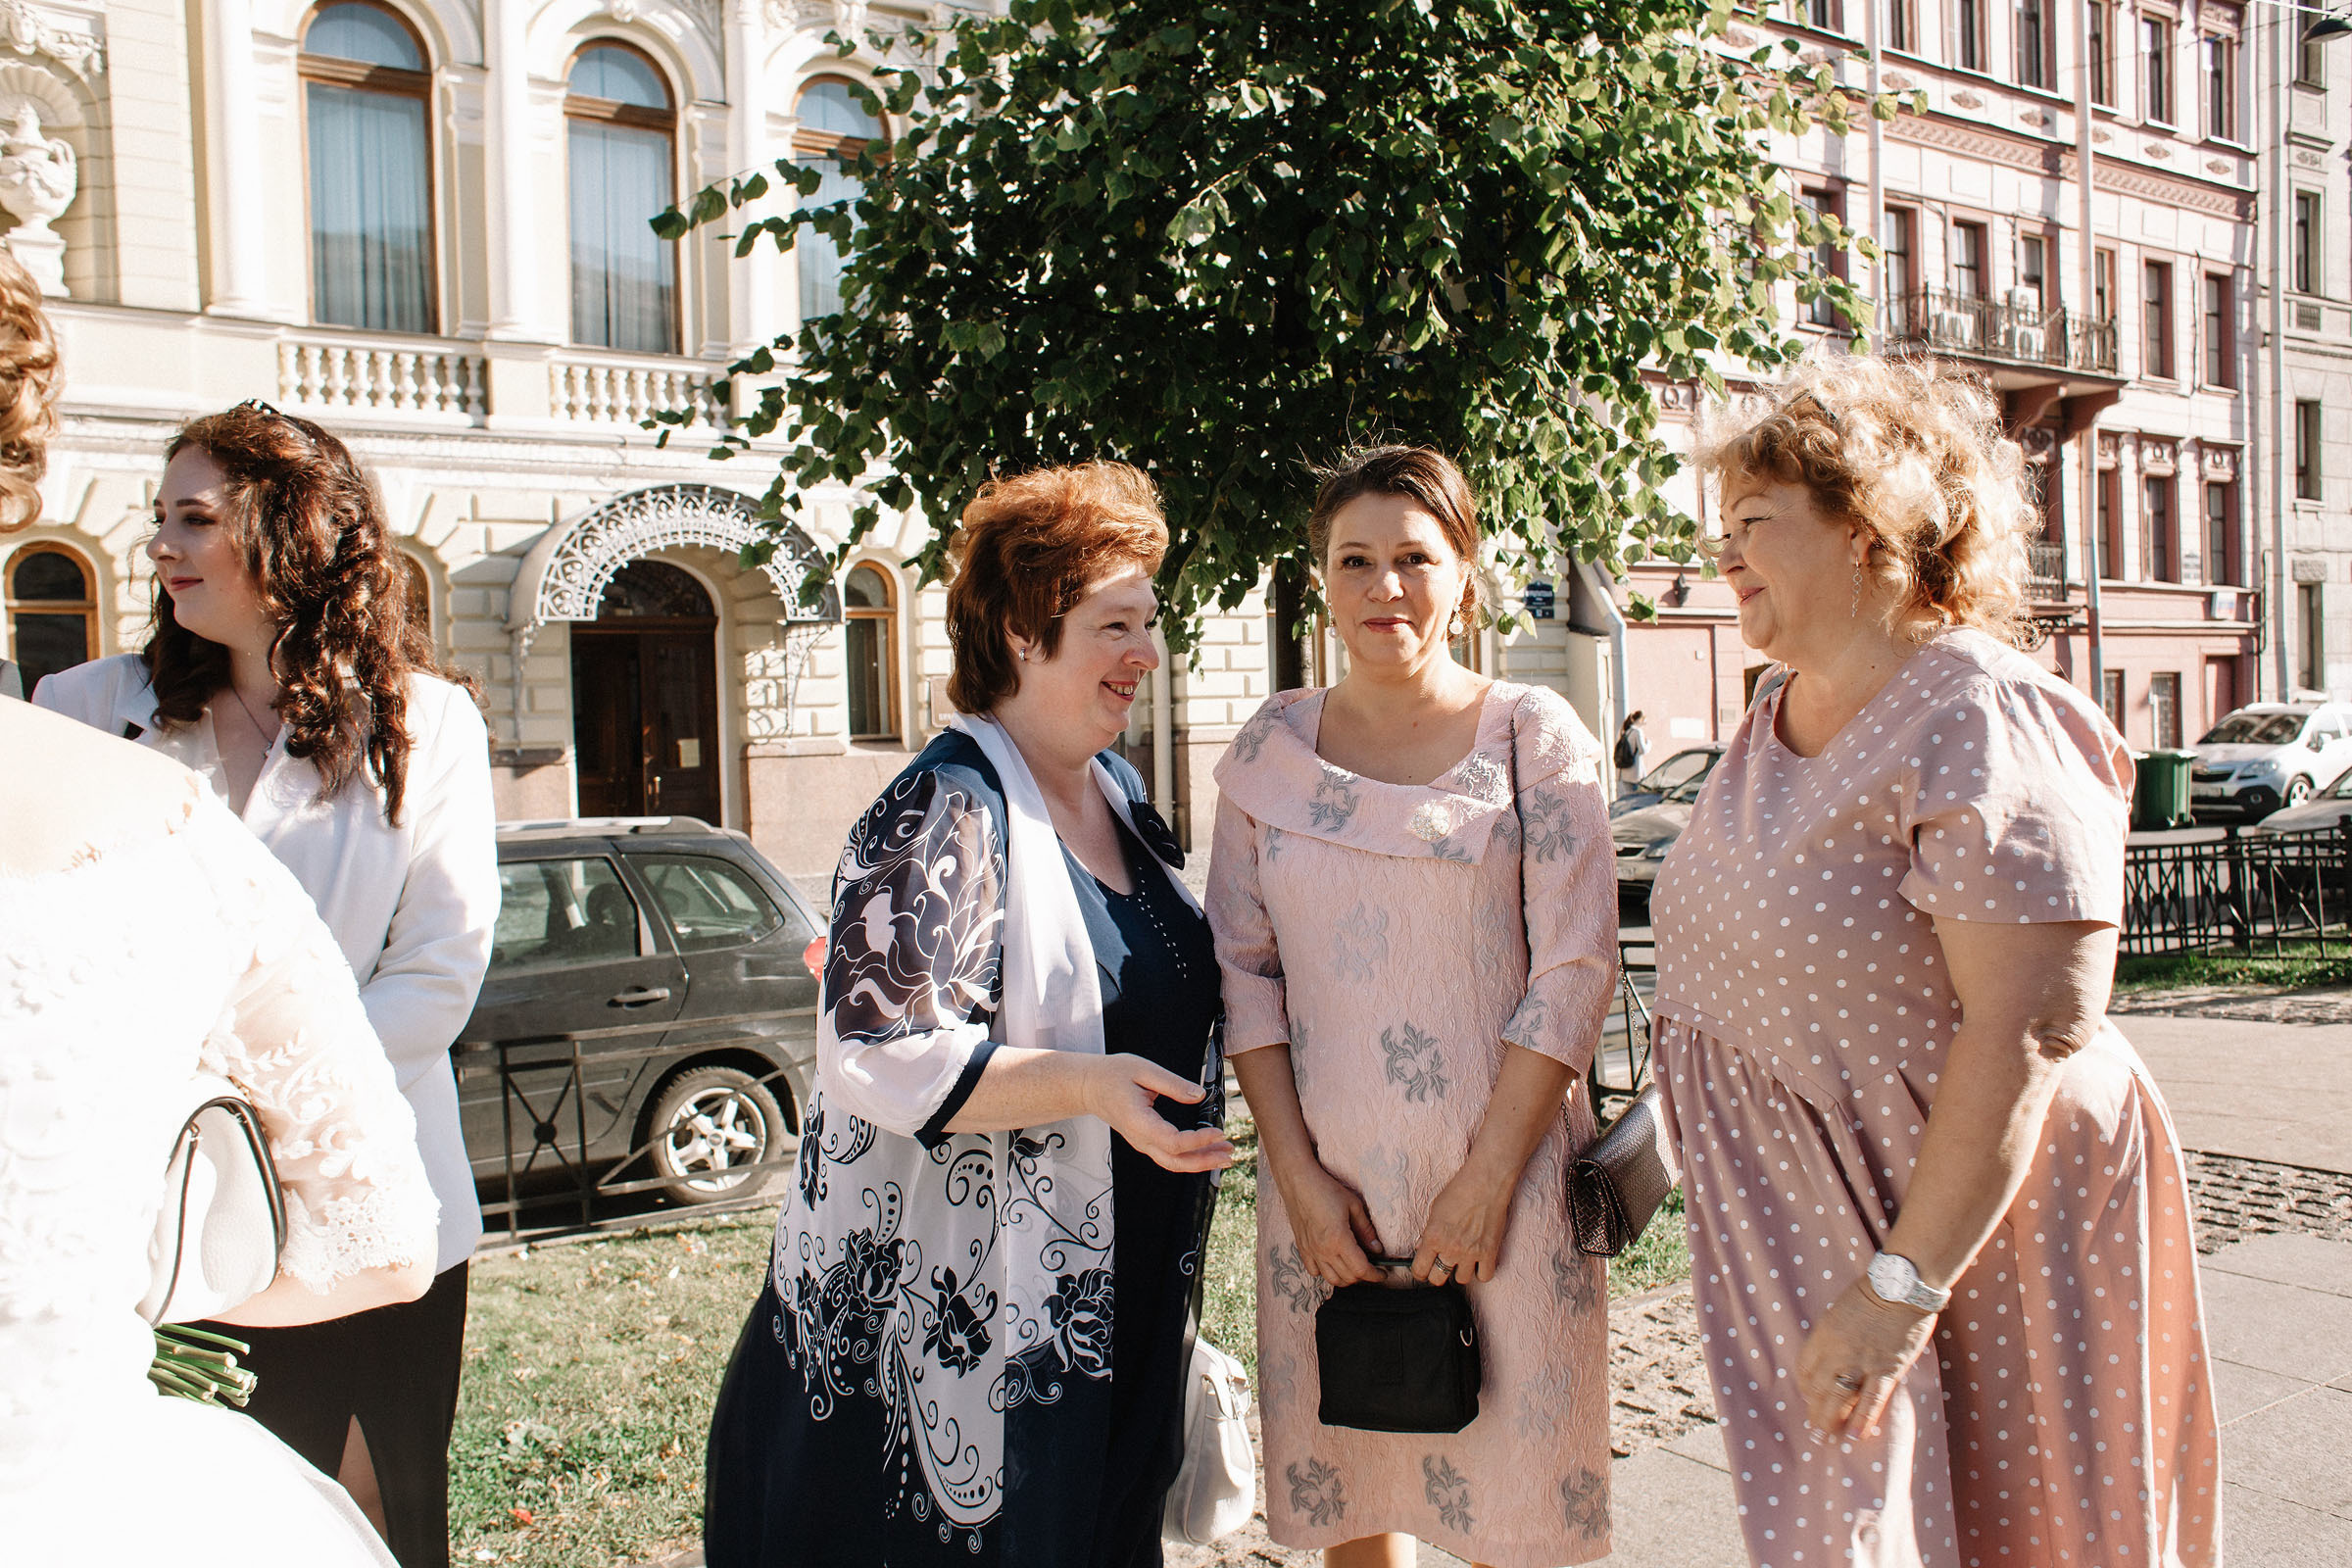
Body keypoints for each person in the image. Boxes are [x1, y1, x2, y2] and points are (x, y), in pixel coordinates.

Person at [1646, 357, 2221, 1567]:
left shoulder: (1980, 711)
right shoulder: (1772, 712)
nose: (1723, 556)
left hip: (1970, 1242)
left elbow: (2033, 1026)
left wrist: (1896, 1294)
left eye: (1753, 525)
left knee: (2023, 1530)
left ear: (1869, 533)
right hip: (1810, 1227)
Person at [703, 462, 1235, 1568]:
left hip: (1107, 1304)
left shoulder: (1117, 796)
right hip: (967, 1343)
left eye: (1150, 621)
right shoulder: (945, 803)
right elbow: (876, 1049)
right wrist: (1091, 1086)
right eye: (1113, 624)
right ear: (1018, 629)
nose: (1145, 653)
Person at [0, 248, 442, 1566]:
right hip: (161, 1210)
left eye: (197, 516)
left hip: (260, 1169)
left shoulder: (430, 724)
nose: (161, 542)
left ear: (288, 535)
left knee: (396, 1483)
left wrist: (150, 1119)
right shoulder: (87, 714)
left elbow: (443, 962)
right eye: (158, 516)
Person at [1206, 446, 1619, 1568]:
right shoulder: (1267, 754)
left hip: (1508, 1190)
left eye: (1413, 558)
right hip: (1325, 1197)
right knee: (1358, 1499)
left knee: (1513, 1518)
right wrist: (1294, 1180)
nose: (1385, 587)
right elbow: (1244, 976)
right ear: (1322, 579)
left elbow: (1576, 967)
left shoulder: (1534, 737)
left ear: (1466, 575)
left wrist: (1484, 1183)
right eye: (1356, 560)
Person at [1613, 710, 1647, 793]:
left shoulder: (1623, 731)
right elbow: (1643, 750)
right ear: (1640, 720)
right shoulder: (1637, 732)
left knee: (1629, 797)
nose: (1644, 724)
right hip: (1634, 772)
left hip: (1623, 771)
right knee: (1637, 799)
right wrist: (1649, 744)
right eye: (1644, 722)